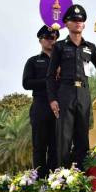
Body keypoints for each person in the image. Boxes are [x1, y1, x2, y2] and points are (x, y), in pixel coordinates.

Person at [46, 4, 96, 169]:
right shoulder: (59, 47)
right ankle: (62, 177)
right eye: (74, 20)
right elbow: (50, 76)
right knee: (64, 137)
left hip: (83, 93)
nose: (78, 23)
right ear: (67, 23)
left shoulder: (90, 48)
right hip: (65, 93)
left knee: (82, 136)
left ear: (84, 24)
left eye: (81, 20)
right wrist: (52, 99)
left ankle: (81, 176)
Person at [23, 25, 59, 177]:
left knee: (56, 146)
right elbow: (26, 83)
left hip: (59, 107)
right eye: (49, 38)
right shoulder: (33, 61)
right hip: (41, 105)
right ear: (41, 40)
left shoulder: (62, 61)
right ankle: (38, 181)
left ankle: (53, 180)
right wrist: (49, 80)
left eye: (55, 38)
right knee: (39, 146)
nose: (52, 41)